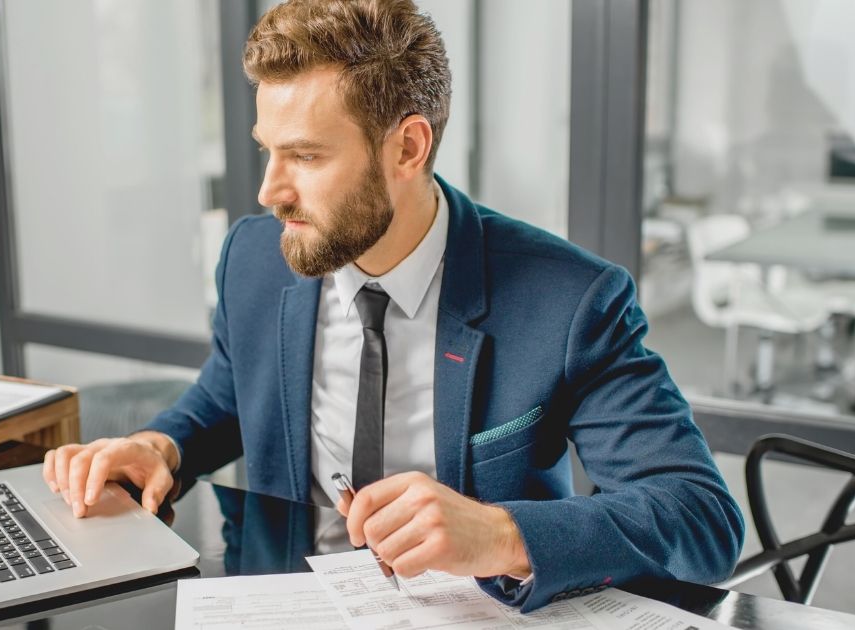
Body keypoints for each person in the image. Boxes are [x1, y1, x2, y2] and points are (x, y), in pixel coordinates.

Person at [44, 0, 743, 611]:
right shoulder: (256, 259)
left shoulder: (568, 300)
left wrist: (500, 534)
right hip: (282, 602)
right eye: (268, 152)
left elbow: (700, 517)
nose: (269, 191)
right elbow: (228, 393)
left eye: (307, 157)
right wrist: (160, 444)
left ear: (408, 146)